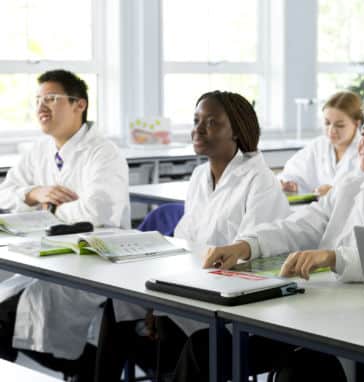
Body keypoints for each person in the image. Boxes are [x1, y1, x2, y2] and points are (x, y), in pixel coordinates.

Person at [169, 94, 364, 381]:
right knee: (204, 349)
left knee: (300, 372)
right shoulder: (350, 187)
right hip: (317, 318)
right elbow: (299, 226)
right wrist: (247, 245)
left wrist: (334, 258)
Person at [100, 91, 292, 380]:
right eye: (196, 120)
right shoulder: (200, 176)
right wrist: (155, 298)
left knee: (173, 331)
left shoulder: (259, 180)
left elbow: (252, 256)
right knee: (118, 305)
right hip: (193, 283)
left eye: (212, 122)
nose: (198, 129)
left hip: (233, 298)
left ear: (237, 132)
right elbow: (185, 241)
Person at [0, 69, 130, 380]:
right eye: (38, 100)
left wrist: (46, 208)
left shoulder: (103, 153)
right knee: (9, 312)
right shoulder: (39, 150)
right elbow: (6, 192)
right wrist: (34, 192)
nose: (41, 107)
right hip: (48, 257)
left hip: (93, 264)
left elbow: (96, 211)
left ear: (78, 105)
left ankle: (83, 367)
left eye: (52, 99)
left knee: (9, 319)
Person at [279, 91, 364, 196]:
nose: (331, 130)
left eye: (340, 125)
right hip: (317, 209)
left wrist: (334, 193)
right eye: (327, 123)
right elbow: (293, 172)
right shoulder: (318, 146)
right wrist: (292, 185)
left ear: (357, 124)